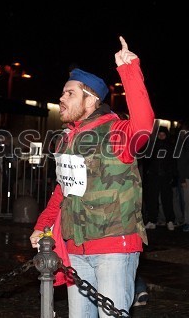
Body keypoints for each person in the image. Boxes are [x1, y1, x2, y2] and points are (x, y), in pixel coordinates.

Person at [29, 36, 154, 317]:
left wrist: (129, 70)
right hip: (76, 249)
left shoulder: (116, 132)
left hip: (113, 246)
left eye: (69, 93)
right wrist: (43, 225)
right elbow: (63, 191)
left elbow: (144, 125)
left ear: (91, 99)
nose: (61, 98)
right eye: (62, 93)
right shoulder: (66, 140)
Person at [142, 126, 178, 231]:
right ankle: (152, 221)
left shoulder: (170, 147)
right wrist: (147, 174)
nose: (161, 136)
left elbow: (174, 163)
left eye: (163, 134)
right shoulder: (152, 146)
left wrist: (174, 176)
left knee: (167, 199)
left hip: (166, 177)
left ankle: (170, 221)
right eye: (160, 134)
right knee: (152, 199)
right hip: (153, 176)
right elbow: (146, 161)